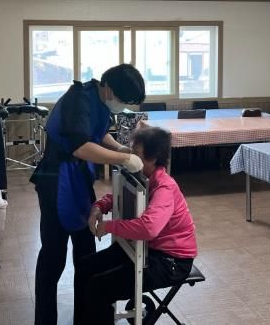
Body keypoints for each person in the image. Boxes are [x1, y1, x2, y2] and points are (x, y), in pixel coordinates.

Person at [30, 64, 146, 325]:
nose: (122, 106)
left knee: (85, 253)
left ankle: (86, 318)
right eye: (123, 100)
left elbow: (97, 132)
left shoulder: (99, 100)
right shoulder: (79, 99)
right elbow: (81, 146)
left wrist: (120, 149)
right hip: (56, 181)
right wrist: (122, 159)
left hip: (78, 180)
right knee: (53, 257)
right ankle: (44, 320)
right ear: (109, 89)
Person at [74, 126, 197, 325]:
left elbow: (149, 228)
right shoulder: (142, 175)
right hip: (146, 248)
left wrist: (109, 226)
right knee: (85, 267)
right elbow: (119, 194)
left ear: (153, 158)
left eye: (136, 153)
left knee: (98, 288)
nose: (131, 157)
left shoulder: (165, 187)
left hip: (171, 261)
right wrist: (99, 206)